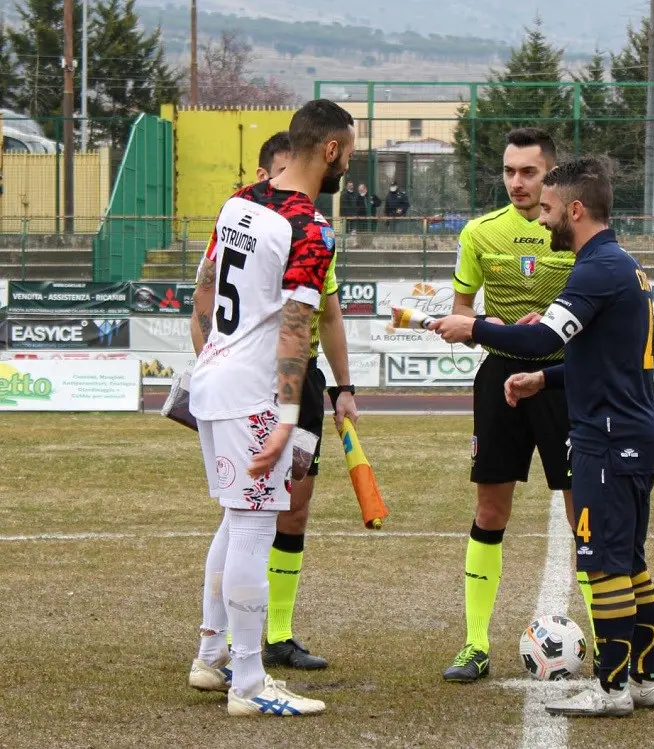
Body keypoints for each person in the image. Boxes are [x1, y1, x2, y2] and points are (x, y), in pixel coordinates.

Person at [431, 155, 654, 717]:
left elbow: (542, 338)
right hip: (631, 429)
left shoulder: (595, 269)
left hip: (608, 439)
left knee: (605, 565)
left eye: (550, 210)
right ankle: (646, 680)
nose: (542, 221)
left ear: (577, 210)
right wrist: (546, 379)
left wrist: (475, 327)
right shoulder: (622, 266)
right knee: (629, 560)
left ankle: (611, 689)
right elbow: (604, 359)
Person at [184, 98, 354, 717]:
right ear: (330, 150)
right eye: (349, 154)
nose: (348, 169)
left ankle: (211, 657)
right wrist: (286, 418)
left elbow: (204, 288)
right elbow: (295, 326)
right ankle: (250, 685)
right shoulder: (309, 227)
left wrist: (209, 359)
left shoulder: (238, 201)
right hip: (255, 394)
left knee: (235, 518)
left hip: (214, 384)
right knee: (255, 526)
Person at [439, 127, 589, 684]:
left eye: (528, 172)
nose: (517, 182)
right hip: (500, 377)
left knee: (584, 516)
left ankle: (599, 641)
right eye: (508, 171)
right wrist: (488, 328)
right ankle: (475, 644)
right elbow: (462, 310)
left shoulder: (573, 232)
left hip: (562, 380)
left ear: (551, 175)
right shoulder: (480, 233)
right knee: (489, 512)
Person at [243, 131, 361, 671]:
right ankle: (229, 641)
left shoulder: (317, 239)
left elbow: (327, 315)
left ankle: (278, 634)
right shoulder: (248, 219)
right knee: (246, 512)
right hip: (252, 379)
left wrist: (343, 388)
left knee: (294, 506)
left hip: (304, 381)